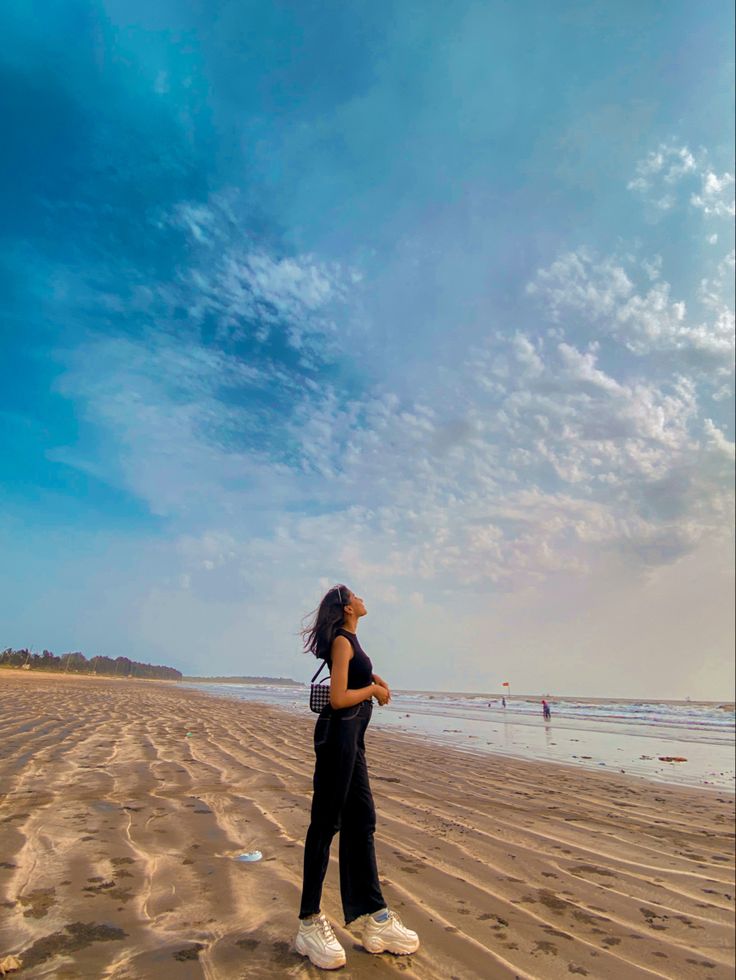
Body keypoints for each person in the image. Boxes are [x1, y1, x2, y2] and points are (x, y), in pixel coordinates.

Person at [295, 584, 420, 970]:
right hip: (338, 738)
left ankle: (372, 915)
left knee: (362, 820)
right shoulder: (343, 644)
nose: (365, 600)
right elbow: (337, 698)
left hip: (353, 739)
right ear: (348, 607)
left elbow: (352, 679)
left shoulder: (351, 641)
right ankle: (309, 921)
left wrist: (374, 680)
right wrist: (372, 690)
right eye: (358, 596)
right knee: (325, 824)